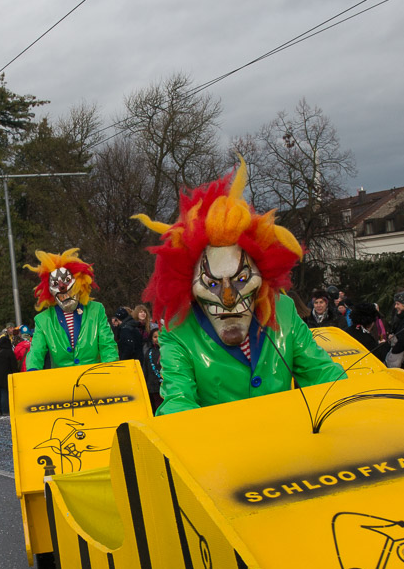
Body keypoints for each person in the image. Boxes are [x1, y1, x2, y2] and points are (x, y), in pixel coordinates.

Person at [133, 159, 345, 414]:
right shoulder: (178, 330)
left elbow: (323, 374)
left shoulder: (284, 311)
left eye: (241, 279)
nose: (228, 297)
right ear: (189, 285)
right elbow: (178, 401)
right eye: (211, 283)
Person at [23, 249, 120, 370]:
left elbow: (107, 346)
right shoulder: (43, 320)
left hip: (94, 381)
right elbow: (36, 352)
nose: (62, 287)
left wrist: (111, 372)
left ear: (80, 281)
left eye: (67, 280)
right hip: (63, 384)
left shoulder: (96, 310)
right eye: (55, 283)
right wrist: (32, 372)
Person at [0, 334, 18, 416]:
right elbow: (13, 366)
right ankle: (5, 411)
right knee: (4, 393)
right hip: (4, 377)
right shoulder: (9, 352)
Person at [142, 327, 163, 413]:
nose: (157, 339)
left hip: (166, 384)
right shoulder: (149, 352)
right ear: (151, 339)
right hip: (154, 385)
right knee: (157, 405)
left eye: (159, 336)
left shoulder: (168, 351)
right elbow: (146, 369)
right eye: (155, 337)